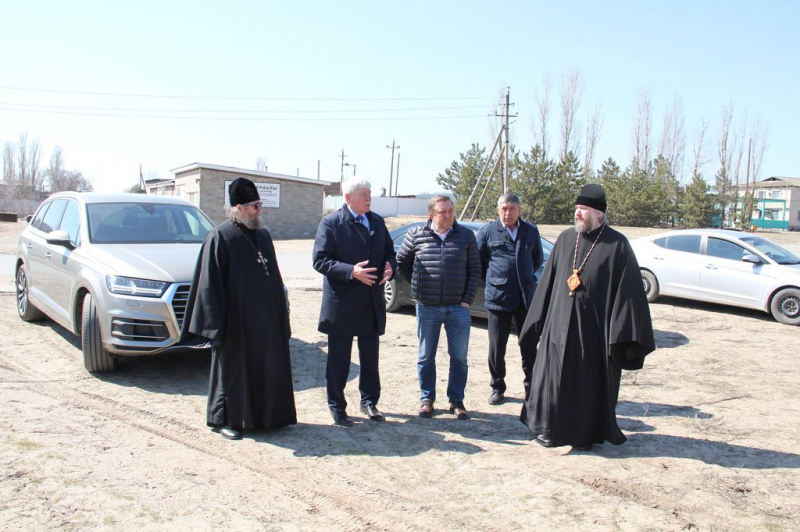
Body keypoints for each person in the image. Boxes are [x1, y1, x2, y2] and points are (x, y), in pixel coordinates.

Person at [519, 184, 655, 450]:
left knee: (585, 385)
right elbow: (548, 282)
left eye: (584, 209)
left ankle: (584, 435)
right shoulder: (566, 238)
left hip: (593, 333)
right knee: (551, 380)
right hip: (557, 328)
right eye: (577, 208)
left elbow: (628, 294)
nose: (578, 213)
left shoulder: (617, 245)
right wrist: (535, 322)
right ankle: (547, 429)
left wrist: (622, 337)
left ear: (599, 214)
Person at [181, 177, 297, 440]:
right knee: (234, 373)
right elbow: (208, 286)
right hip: (236, 323)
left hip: (265, 321)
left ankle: (267, 417)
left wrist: (281, 315)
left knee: (266, 367)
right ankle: (228, 420)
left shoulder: (263, 235)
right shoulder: (219, 236)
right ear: (238, 207)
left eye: (260, 204)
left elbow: (274, 278)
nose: (260, 210)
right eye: (255, 205)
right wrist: (215, 326)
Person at [312, 176, 396, 427]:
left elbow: (389, 251)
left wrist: (391, 265)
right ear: (348, 198)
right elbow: (320, 260)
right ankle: (337, 406)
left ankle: (369, 401)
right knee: (339, 359)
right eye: (364, 194)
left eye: (370, 193)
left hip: (371, 301)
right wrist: (351, 271)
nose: (369, 198)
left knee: (370, 357)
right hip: (343, 302)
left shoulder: (378, 222)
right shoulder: (332, 223)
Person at [396, 195, 481, 420]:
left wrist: (467, 299)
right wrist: (418, 289)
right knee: (426, 356)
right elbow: (401, 263)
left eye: (451, 210)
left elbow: (475, 269)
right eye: (443, 212)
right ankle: (427, 400)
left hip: (458, 308)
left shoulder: (465, 236)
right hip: (427, 308)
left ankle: (456, 400)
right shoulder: (416, 235)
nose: (448, 215)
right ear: (432, 214)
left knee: (459, 357)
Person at [476, 192, 543, 406]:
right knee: (497, 347)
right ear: (498, 210)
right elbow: (478, 264)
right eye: (504, 209)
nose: (508, 213)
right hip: (498, 299)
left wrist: (523, 278)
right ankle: (497, 387)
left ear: (519, 210)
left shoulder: (530, 231)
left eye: (512, 209)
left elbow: (537, 259)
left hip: (525, 298)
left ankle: (532, 386)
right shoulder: (487, 232)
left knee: (529, 345)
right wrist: (496, 280)